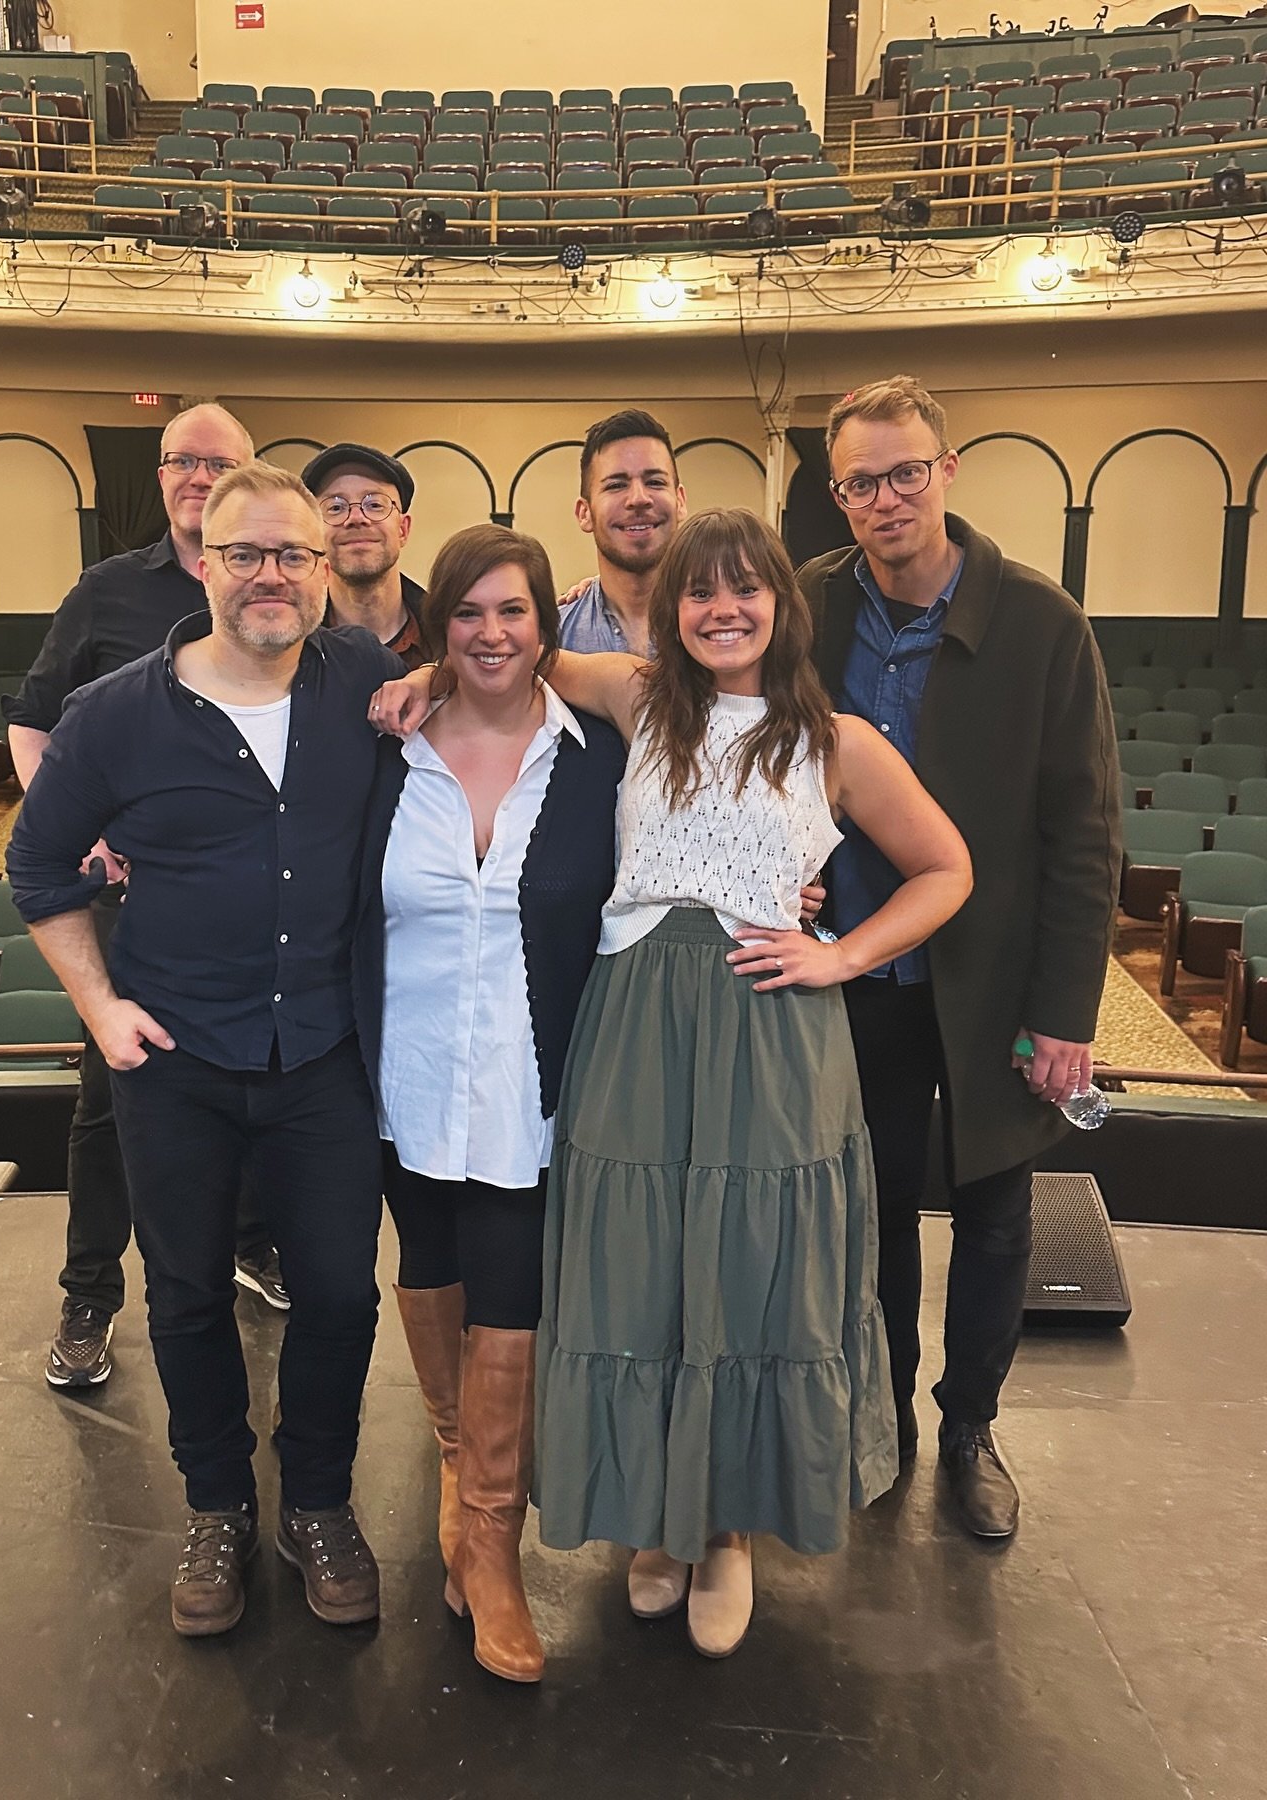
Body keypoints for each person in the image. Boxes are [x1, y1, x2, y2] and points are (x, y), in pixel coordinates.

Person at [374, 507, 972, 1662]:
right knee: (640, 1277)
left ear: (782, 607)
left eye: (748, 588)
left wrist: (842, 952)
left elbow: (948, 866)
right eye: (701, 591)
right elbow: (508, 650)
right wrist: (413, 680)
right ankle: (658, 1518)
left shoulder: (839, 742)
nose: (724, 608)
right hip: (637, 1021)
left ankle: (728, 1529)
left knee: (749, 1275)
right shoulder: (637, 698)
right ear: (673, 609)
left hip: (771, 1031)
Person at [7, 462, 403, 1639]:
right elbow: (38, 869)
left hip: (326, 1051)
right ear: (204, 562)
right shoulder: (117, 712)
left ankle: (319, 1502)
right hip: (172, 1055)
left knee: (337, 1290)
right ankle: (219, 1505)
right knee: (182, 1296)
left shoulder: (371, 686)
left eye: (293, 553)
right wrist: (100, 1005)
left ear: (326, 572)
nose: (269, 574)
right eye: (245, 554)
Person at [800, 374, 1122, 1541]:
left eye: (906, 471)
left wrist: (1065, 1016)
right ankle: (877, 1423)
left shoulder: (1043, 623)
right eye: (860, 480)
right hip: (858, 973)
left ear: (947, 471)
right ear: (836, 496)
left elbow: (1086, 835)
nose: (886, 497)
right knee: (870, 1216)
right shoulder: (810, 607)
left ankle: (970, 1428)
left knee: (994, 1216)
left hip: (991, 982)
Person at [358, 524, 625, 1685]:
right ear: (441, 625)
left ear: (545, 624)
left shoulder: (596, 759)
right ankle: (458, 1479)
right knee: (428, 1262)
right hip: (405, 1074)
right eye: (467, 613)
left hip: (532, 1078)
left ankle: (492, 1541)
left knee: (512, 1285)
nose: (491, 633)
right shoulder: (387, 753)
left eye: (512, 611)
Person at [4, 403, 288, 1394]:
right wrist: (77, 821)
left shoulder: (277, 585)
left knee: (260, 1069)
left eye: (220, 461)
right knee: (110, 1099)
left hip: (257, 899)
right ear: (160, 477)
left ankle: (255, 1243)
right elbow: (33, 723)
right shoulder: (105, 592)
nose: (198, 475)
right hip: (139, 898)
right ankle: (90, 1296)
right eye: (181, 460)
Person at [556, 409, 687, 656]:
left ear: (680, 501)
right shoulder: (551, 638)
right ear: (584, 513)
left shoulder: (720, 629)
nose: (638, 499)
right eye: (616, 485)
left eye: (655, 482)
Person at [302, 443, 429, 668]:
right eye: (335, 507)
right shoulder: (289, 647)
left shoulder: (450, 638)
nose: (356, 517)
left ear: (403, 529)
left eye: (374, 504)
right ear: (313, 533)